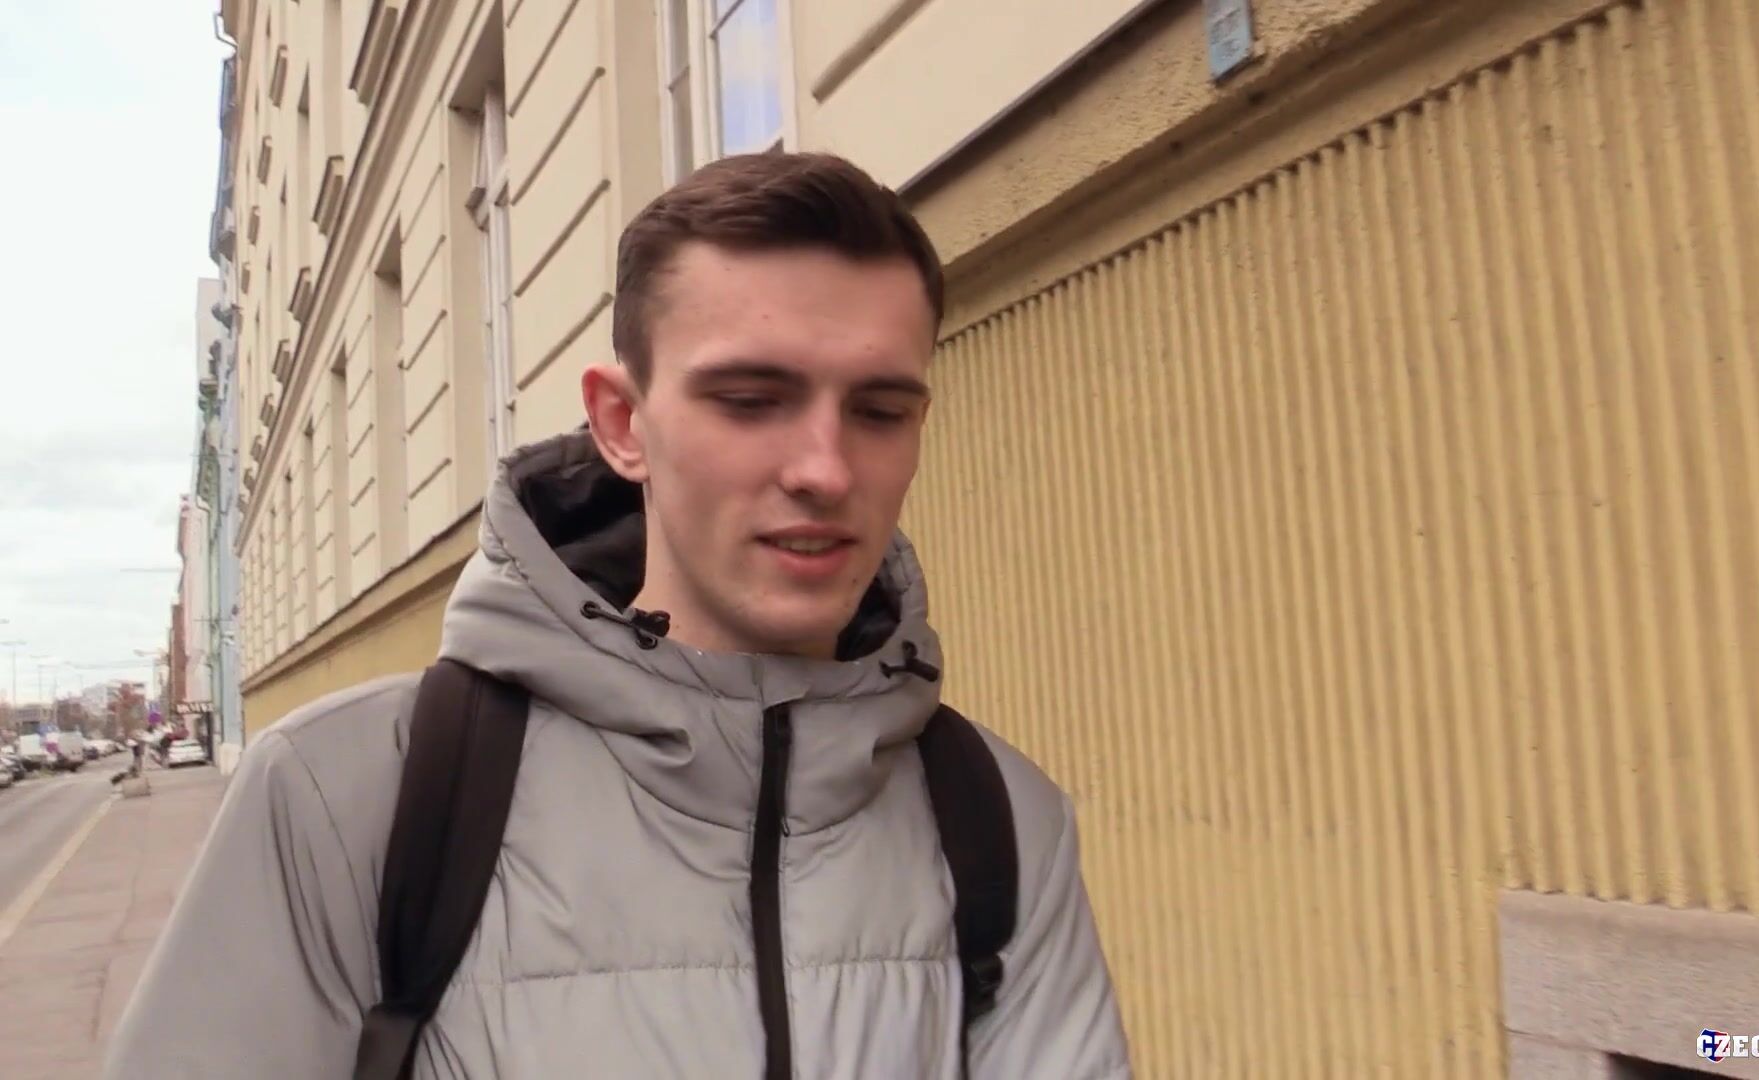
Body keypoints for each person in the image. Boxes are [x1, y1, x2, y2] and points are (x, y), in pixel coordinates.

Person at [104, 152, 1130, 1078]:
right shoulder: (350, 796)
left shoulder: (1002, 821)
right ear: (623, 423)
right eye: (750, 400)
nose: (825, 470)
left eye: (879, 411)